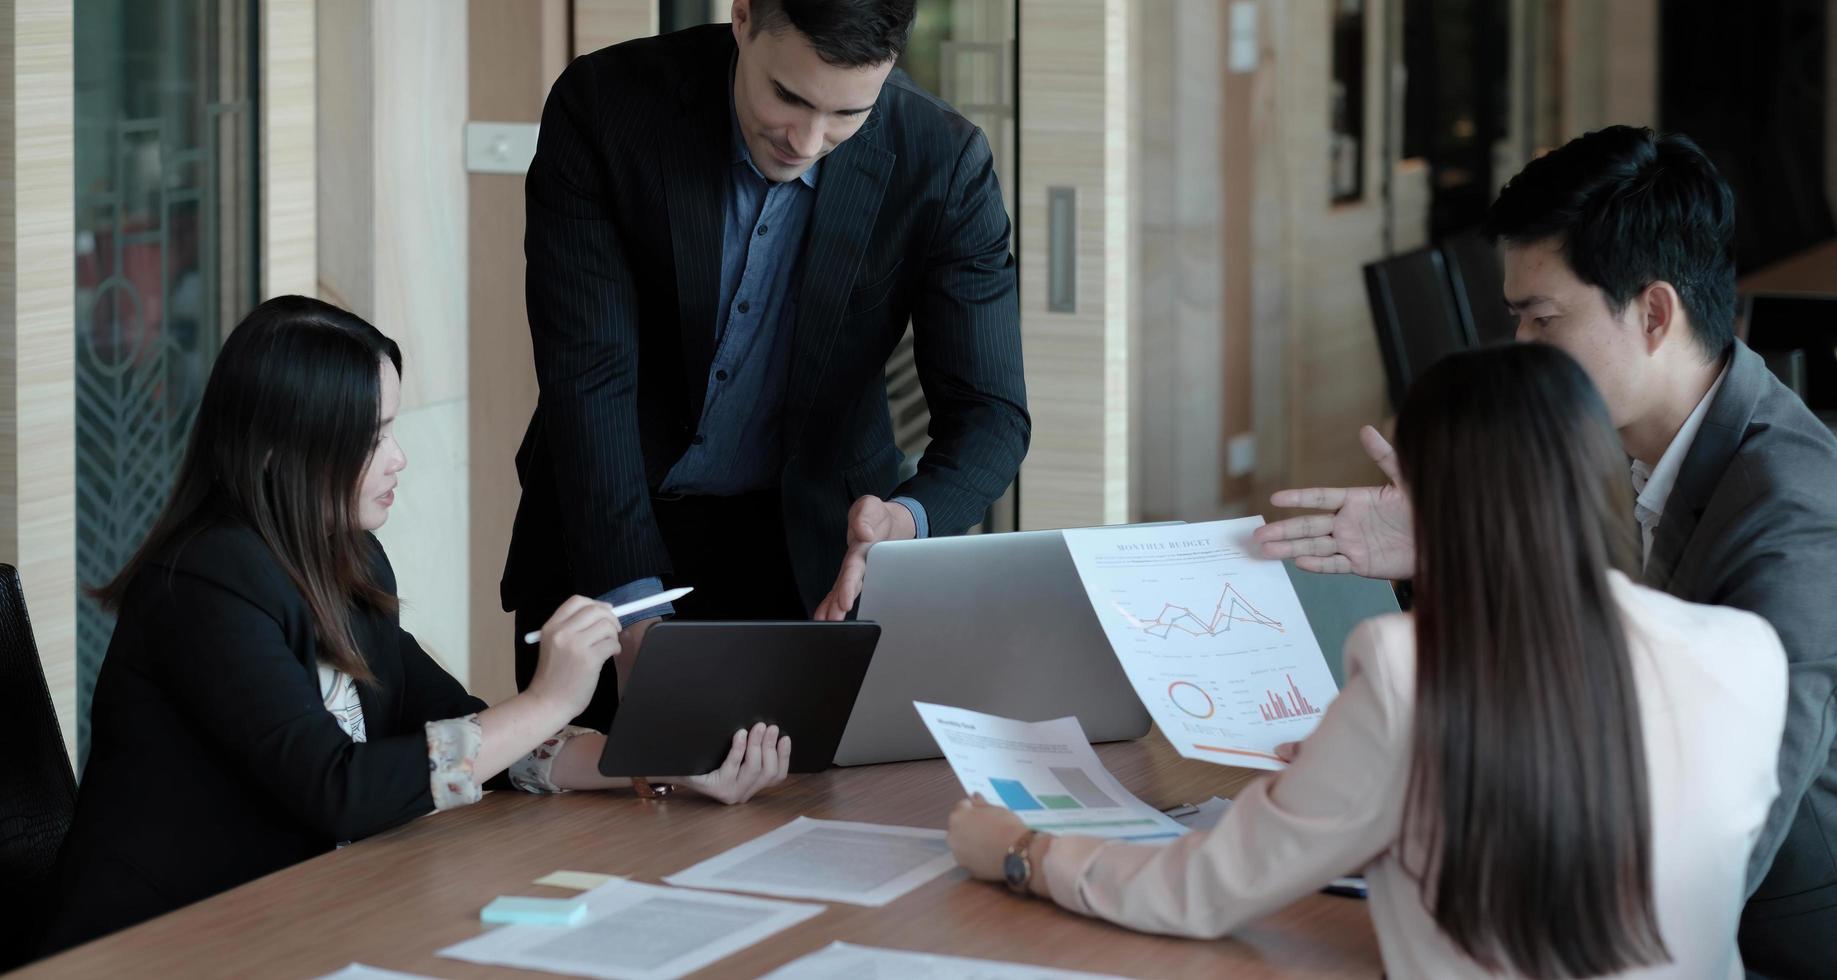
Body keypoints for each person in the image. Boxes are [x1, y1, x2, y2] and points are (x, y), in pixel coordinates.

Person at [949, 343, 1788, 978]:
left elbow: (1200, 892)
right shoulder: (1745, 653)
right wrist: (1378, 786)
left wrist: (1023, 851)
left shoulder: (1407, 669)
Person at [1253, 126, 1837, 977]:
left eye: (1542, 317)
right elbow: (1572, 669)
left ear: (1653, 313)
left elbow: (1725, 825)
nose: (1522, 350)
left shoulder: (1791, 513)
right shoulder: (1612, 442)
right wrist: (1457, 550)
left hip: (1762, 938)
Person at [42, 297, 792, 955]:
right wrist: (549, 700)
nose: (398, 458)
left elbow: (468, 738)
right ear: (279, 453)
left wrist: (655, 762)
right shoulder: (204, 584)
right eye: (372, 437)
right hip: (161, 943)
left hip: (302, 918)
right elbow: (337, 789)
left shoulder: (345, 557)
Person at [501, 0, 1030, 730]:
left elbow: (992, 413)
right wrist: (631, 609)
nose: (808, 141)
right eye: (787, 97)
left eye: (847, 114)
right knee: (586, 819)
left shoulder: (941, 160)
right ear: (743, 17)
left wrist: (905, 522)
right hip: (606, 535)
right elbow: (589, 375)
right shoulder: (608, 106)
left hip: (811, 552)